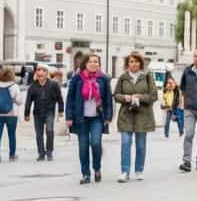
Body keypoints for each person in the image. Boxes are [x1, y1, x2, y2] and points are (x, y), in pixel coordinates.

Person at [65, 53, 113, 184]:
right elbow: (70, 98)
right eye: (91, 61)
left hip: (97, 117)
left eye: (96, 62)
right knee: (83, 147)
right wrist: (68, 116)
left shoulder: (103, 79)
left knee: (96, 143)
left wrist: (108, 116)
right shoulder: (77, 79)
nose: (94, 64)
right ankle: (85, 174)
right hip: (81, 118)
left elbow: (108, 99)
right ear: (85, 64)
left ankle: (97, 168)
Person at [114, 52, 157, 183]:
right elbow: (116, 95)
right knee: (125, 143)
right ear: (128, 64)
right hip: (126, 115)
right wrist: (125, 98)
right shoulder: (123, 77)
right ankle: (125, 172)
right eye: (131, 61)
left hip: (142, 115)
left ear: (141, 63)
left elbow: (153, 96)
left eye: (137, 61)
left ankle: (139, 170)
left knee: (140, 145)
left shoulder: (148, 77)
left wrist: (140, 97)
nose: (134, 64)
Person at [23, 65, 64, 162]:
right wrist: (26, 114)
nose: (40, 73)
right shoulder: (32, 87)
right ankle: (41, 153)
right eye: (38, 71)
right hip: (37, 113)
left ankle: (49, 151)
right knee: (39, 134)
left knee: (49, 131)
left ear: (47, 73)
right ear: (36, 74)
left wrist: (61, 110)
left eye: (43, 71)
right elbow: (28, 101)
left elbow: (59, 98)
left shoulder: (53, 85)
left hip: (49, 112)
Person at [0, 67, 23, 163]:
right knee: (12, 135)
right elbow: (19, 101)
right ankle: (12, 155)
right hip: (11, 114)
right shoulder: (14, 86)